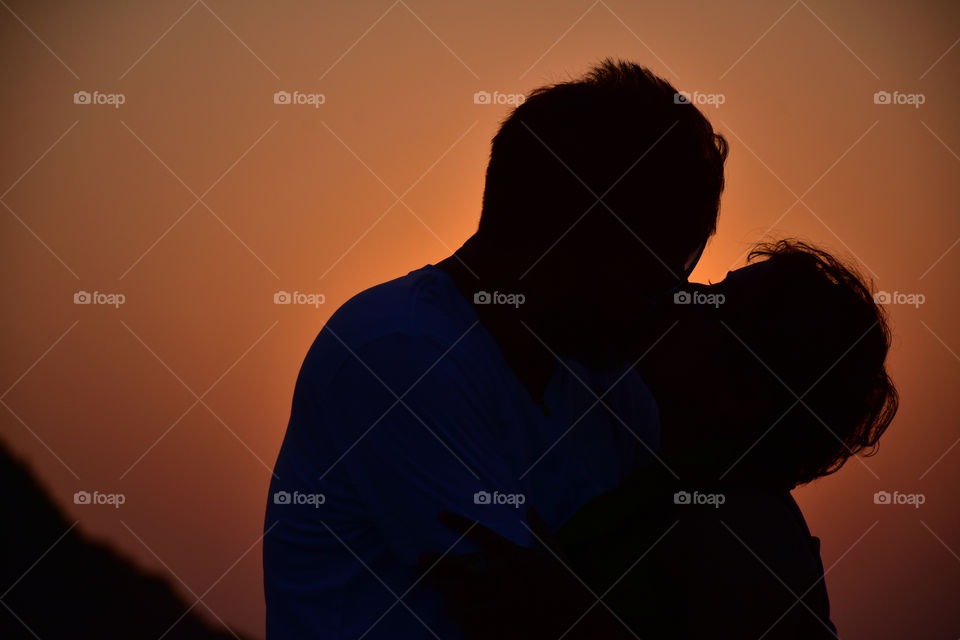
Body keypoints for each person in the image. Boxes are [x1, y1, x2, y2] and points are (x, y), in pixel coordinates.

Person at [263, 59, 728, 638]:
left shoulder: (612, 392)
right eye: (654, 264)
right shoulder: (400, 353)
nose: (669, 296)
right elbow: (536, 622)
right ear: (568, 232)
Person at [422, 240, 898, 639]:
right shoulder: (644, 466)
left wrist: (572, 619)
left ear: (748, 393)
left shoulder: (748, 539)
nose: (683, 294)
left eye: (717, 305)